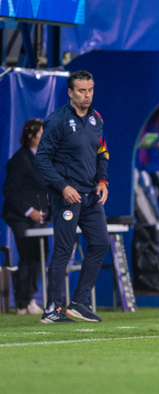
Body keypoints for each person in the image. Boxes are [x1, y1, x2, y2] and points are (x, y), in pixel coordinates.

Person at [35, 70, 110, 323]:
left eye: (90, 90)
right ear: (70, 92)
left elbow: (102, 152)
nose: (87, 95)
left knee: (100, 243)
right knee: (64, 250)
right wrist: (62, 186)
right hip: (66, 197)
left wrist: (102, 180)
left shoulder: (96, 119)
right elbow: (42, 159)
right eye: (81, 90)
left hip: (90, 196)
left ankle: (78, 302)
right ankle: (51, 310)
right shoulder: (56, 121)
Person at [2, 119, 48, 315]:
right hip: (19, 216)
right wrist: (30, 211)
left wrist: (44, 212)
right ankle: (21, 303)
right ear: (31, 136)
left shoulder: (43, 158)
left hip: (39, 218)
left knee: (40, 254)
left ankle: (30, 299)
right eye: (41, 133)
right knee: (28, 255)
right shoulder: (19, 160)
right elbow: (10, 191)